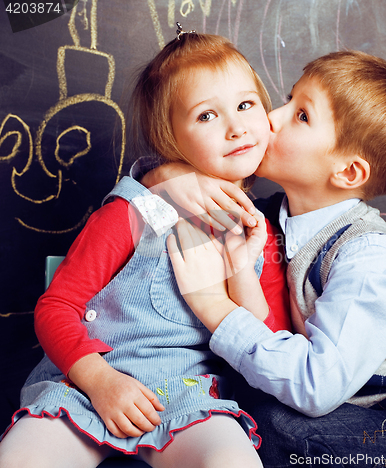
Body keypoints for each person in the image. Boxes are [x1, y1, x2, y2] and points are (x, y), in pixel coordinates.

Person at [142, 51, 386, 465]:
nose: (271, 117)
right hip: (340, 410)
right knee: (240, 409)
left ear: (348, 173)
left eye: (301, 115)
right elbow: (153, 192)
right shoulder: (265, 215)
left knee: (268, 425)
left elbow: (315, 386)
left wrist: (214, 306)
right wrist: (166, 176)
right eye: (287, 99)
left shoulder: (370, 255)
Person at [0, 29, 292, 468]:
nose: (236, 127)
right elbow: (56, 307)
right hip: (84, 389)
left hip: (190, 399)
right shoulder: (134, 212)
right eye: (206, 116)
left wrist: (239, 266)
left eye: (246, 105)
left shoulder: (261, 233)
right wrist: (99, 381)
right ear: (171, 136)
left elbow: (268, 347)